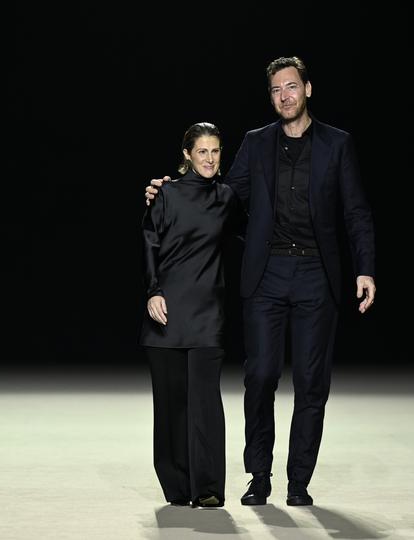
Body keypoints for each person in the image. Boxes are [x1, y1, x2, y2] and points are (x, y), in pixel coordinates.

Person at [145, 56, 376, 506]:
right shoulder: (256, 143)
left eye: (291, 87)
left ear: (308, 89)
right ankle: (260, 475)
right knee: (262, 376)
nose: (283, 96)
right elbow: (221, 201)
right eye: (275, 90)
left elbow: (356, 211)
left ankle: (299, 482)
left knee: (311, 381)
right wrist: (172, 190)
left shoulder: (337, 144)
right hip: (266, 274)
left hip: (316, 274)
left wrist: (365, 267)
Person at [140, 122, 238, 508]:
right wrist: (153, 291)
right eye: (202, 152)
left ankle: (209, 487)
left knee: (206, 403)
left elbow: (251, 230)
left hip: (208, 312)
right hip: (165, 309)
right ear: (187, 155)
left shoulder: (227, 198)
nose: (210, 159)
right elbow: (149, 242)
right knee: (170, 404)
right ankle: (178, 487)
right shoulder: (166, 194)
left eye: (215, 151)